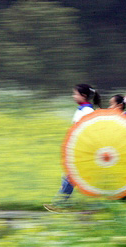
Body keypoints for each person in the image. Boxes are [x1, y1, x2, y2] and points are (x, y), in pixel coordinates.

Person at [43, 84, 101, 212]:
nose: (73, 96)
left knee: (71, 177)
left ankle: (59, 204)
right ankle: (62, 204)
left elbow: (89, 132)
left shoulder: (87, 112)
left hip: (84, 151)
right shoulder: (82, 110)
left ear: (83, 95)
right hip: (79, 150)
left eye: (75, 94)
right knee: (73, 177)